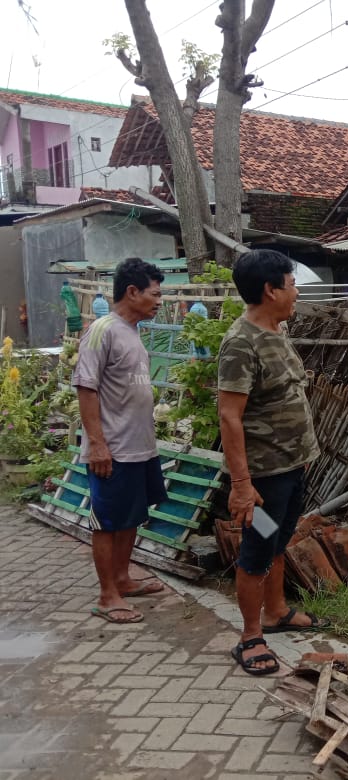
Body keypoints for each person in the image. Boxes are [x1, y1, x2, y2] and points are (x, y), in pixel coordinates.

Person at [217, 249, 328, 676]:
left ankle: (277, 611)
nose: (296, 291)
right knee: (258, 550)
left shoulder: (276, 330)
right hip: (263, 479)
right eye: (293, 283)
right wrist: (242, 484)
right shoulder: (241, 342)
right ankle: (249, 635)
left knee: (279, 540)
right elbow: (229, 415)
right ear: (271, 289)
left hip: (292, 468)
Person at [73, 258, 168, 625]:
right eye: (155, 293)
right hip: (112, 448)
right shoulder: (103, 330)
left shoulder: (132, 331)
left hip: (139, 446)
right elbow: (86, 387)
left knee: (130, 517)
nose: (159, 301)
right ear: (132, 292)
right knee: (108, 522)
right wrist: (97, 443)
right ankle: (106, 595)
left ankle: (123, 580)